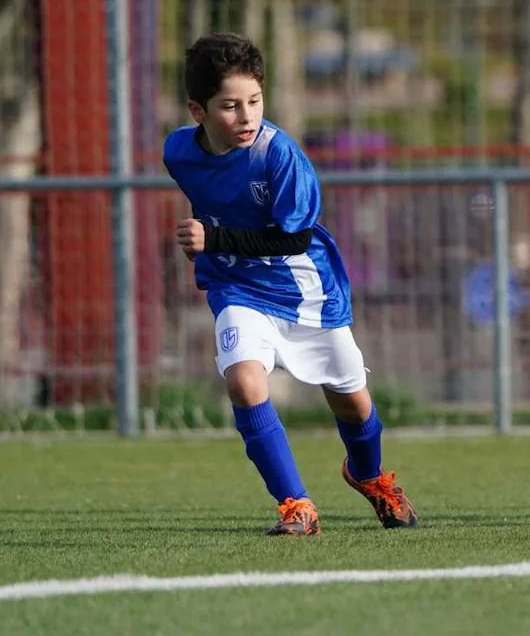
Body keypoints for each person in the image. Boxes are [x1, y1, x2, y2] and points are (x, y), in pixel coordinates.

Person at [164, 32, 418, 536]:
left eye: (255, 101)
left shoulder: (279, 155)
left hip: (305, 290)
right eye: (230, 106)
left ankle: (368, 475)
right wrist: (217, 246)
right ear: (198, 110)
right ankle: (295, 505)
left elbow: (295, 237)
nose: (246, 117)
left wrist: (213, 237)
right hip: (236, 288)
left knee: (351, 396)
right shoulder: (178, 152)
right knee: (243, 381)